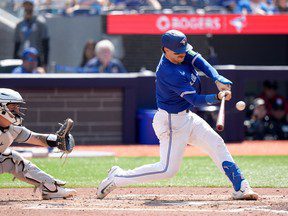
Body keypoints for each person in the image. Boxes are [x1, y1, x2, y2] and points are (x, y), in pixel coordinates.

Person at [97, 30, 258, 200]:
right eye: (178, 53)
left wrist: (217, 78)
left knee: (216, 143)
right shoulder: (168, 72)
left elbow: (199, 61)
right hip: (171, 122)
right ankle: (117, 177)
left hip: (187, 117)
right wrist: (218, 97)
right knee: (167, 170)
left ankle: (241, 187)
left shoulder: (179, 52)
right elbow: (195, 100)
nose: (183, 55)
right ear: (165, 50)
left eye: (184, 51)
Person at [0, 88, 76, 200]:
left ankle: (50, 188)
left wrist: (58, 140)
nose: (17, 110)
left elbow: (37, 138)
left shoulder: (13, 129)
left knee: (12, 158)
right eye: (13, 106)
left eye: (17, 106)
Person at [14, 0, 50, 68]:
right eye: (25, 5)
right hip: (22, 58)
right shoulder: (20, 24)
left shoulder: (40, 23)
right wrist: (14, 59)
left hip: (36, 59)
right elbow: (17, 44)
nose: (27, 7)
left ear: (33, 6)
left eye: (29, 5)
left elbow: (45, 44)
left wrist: (45, 63)